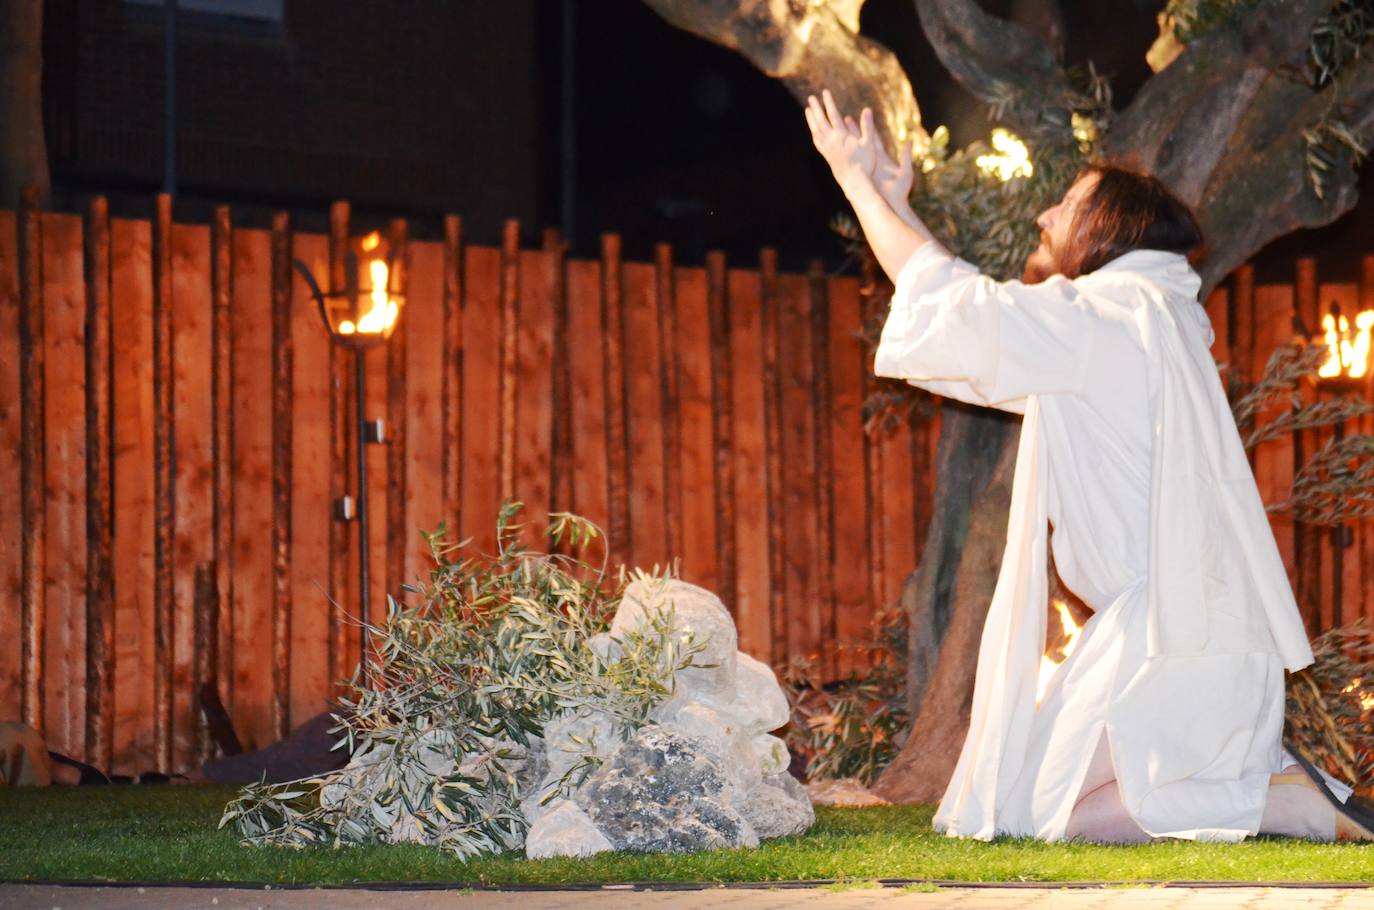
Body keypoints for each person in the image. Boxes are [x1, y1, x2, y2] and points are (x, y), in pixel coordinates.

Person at [803, 90, 1373, 843]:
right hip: (1179, 632)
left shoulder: (1110, 319)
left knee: (1046, 817)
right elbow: (969, 314)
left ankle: (1280, 803)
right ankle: (1260, 785)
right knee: (1022, 805)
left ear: (1111, 227)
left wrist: (854, 184)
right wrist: (891, 199)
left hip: (1178, 639)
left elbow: (961, 309)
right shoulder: (1141, 315)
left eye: (1068, 204)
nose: (1045, 216)